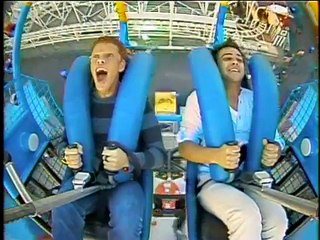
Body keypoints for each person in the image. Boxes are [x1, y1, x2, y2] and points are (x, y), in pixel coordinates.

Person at [52, 36, 166, 240]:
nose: (100, 61)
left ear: (121, 65)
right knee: (62, 206)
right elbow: (62, 144)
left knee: (128, 213)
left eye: (108, 57)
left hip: (124, 183)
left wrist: (129, 159)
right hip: (86, 180)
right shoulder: (80, 105)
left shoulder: (139, 106)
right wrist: (66, 155)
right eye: (96, 57)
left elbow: (159, 156)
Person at [177, 39, 288, 240]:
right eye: (227, 58)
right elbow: (185, 147)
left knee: (277, 220)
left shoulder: (255, 100)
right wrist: (215, 155)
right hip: (213, 180)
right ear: (215, 67)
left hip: (250, 178)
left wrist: (274, 150)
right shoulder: (198, 99)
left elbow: (277, 141)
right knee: (246, 215)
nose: (235, 62)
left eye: (239, 59)